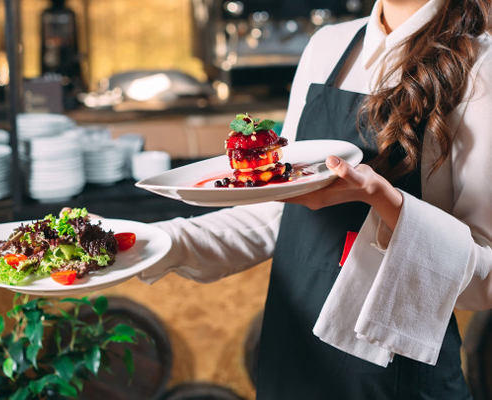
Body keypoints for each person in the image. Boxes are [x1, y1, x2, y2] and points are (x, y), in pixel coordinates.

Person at [136, 0, 492, 398]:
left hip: (393, 375)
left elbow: (485, 282)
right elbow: (274, 215)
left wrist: (385, 201)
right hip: (292, 358)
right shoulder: (328, 46)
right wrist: (150, 244)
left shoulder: (482, 66)